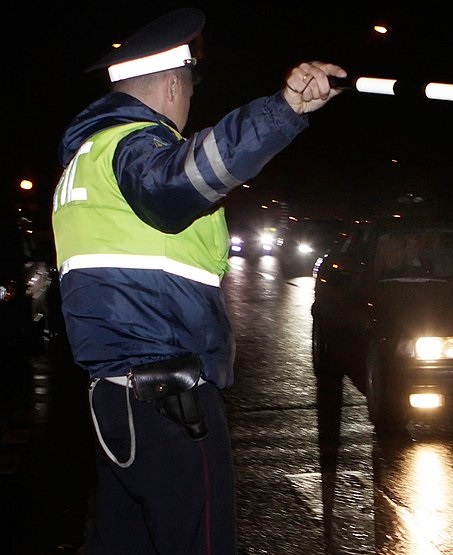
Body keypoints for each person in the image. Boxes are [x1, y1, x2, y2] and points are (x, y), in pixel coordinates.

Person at [50, 8, 346, 554]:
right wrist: (282, 111)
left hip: (116, 399)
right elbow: (178, 181)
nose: (187, 109)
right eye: (186, 93)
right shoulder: (133, 146)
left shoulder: (83, 164)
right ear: (169, 84)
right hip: (170, 401)